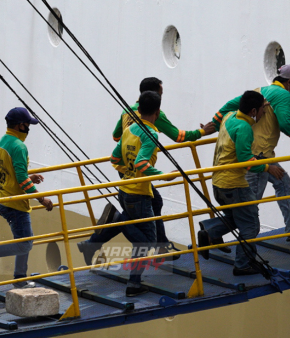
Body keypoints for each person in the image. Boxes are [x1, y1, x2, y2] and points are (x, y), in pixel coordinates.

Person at [87, 77, 215, 258]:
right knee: (140, 214)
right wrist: (203, 132)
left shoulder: (127, 111)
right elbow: (179, 136)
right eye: (160, 95)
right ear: (155, 100)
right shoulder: (156, 117)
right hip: (141, 170)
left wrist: (131, 138)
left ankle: (96, 242)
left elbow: (116, 137)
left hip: (125, 168)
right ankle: (151, 245)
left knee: (149, 204)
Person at [82, 91, 172, 296]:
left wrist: (128, 172)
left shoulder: (129, 128)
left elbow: (115, 160)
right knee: (147, 241)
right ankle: (133, 284)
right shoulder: (151, 135)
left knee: (145, 217)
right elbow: (141, 163)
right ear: (157, 112)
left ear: (138, 109)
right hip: (138, 195)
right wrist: (165, 176)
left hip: (124, 190)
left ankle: (93, 243)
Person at [210, 65, 290, 242]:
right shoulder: (284, 95)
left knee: (282, 181)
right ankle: (213, 232)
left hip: (261, 153)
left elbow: (230, 106)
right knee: (250, 207)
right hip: (258, 156)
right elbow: (285, 123)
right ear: (289, 82)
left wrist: (213, 124)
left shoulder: (260, 91)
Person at [199, 91, 285, 276]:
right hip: (234, 184)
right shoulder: (244, 127)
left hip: (218, 183)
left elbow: (232, 103)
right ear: (253, 110)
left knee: (235, 217)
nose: (264, 112)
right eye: (263, 109)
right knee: (251, 224)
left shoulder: (229, 117)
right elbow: (246, 160)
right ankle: (243, 264)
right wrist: (268, 167)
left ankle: (209, 231)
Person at [0, 108, 53, 288]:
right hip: (14, 204)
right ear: (20, 125)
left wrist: (28, 177)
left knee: (23, 240)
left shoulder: (1, 143)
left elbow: (11, 173)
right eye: (27, 125)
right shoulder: (19, 146)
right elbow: (21, 180)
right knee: (25, 244)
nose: (29, 128)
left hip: (3, 198)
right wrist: (42, 199)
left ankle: (20, 279)